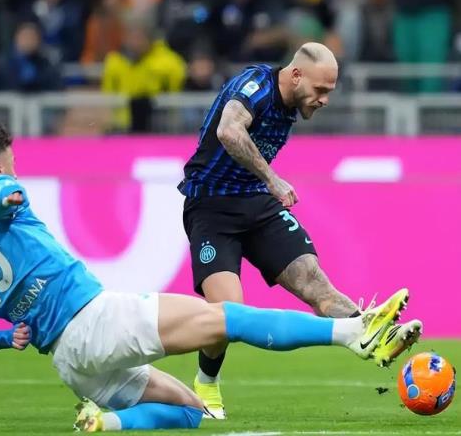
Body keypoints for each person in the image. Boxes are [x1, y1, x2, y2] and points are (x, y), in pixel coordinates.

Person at [0, 124, 412, 432]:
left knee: (191, 413)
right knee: (228, 318)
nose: (15, 171)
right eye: (12, 164)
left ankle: (103, 423)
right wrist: (8, 196)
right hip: (94, 320)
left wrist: (3, 338)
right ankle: (354, 333)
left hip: (69, 363)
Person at [177, 42, 422, 418]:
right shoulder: (255, 86)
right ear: (295, 75)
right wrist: (272, 179)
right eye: (320, 89)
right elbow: (228, 130)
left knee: (314, 282)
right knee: (228, 313)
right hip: (211, 208)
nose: (324, 100)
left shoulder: (291, 104)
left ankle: (372, 333)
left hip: (256, 203)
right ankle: (206, 383)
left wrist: (265, 185)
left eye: (329, 91)